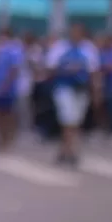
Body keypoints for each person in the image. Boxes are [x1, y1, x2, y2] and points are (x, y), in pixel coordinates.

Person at [45, 23, 99, 167]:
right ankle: (72, 152)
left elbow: (94, 72)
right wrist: (67, 70)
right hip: (64, 89)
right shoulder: (60, 48)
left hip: (81, 89)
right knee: (68, 120)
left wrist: (96, 92)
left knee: (75, 122)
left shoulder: (88, 49)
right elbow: (50, 68)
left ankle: (64, 150)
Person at [0, 30, 24, 152]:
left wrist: (6, 85)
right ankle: (1, 137)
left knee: (7, 113)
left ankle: (8, 138)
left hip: (8, 88)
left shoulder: (13, 50)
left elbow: (14, 69)